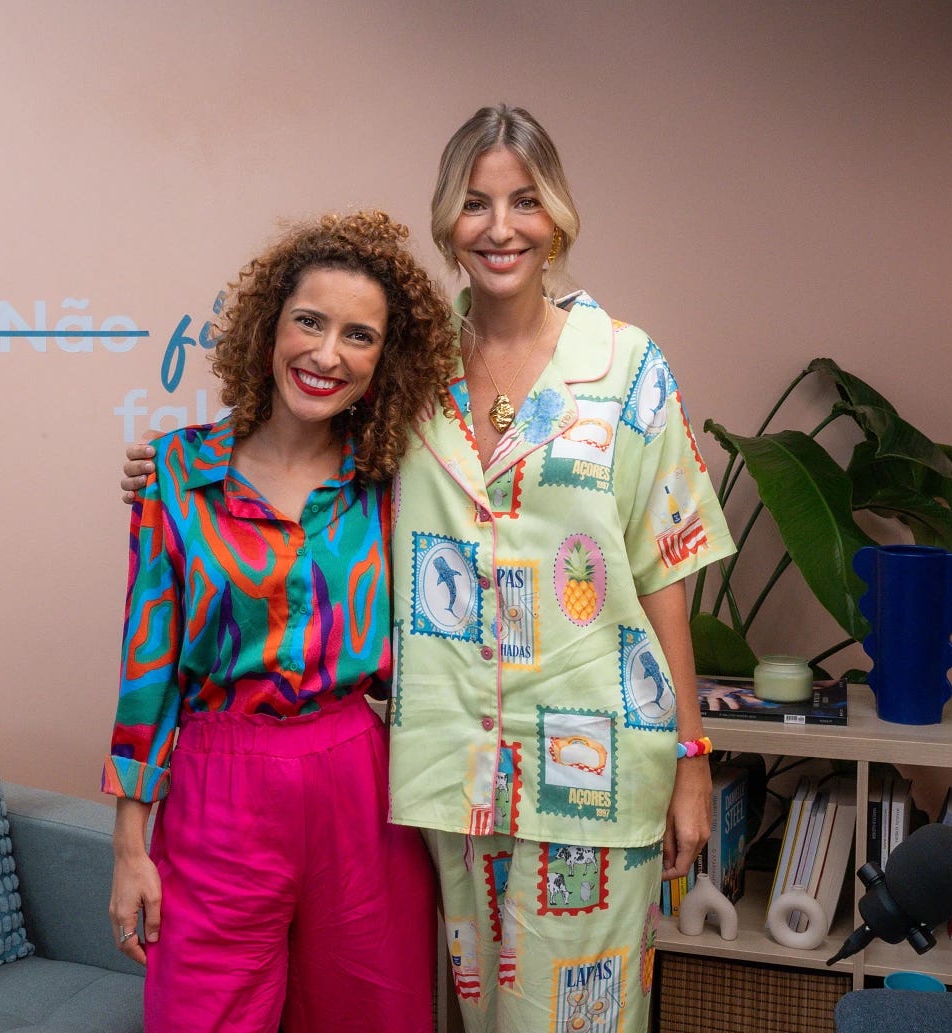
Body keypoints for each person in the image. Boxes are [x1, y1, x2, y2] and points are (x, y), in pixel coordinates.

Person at [122, 106, 735, 1033]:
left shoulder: (627, 365)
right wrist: (171, 467)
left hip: (599, 770)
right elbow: (295, 435)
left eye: (525, 201)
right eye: (475, 203)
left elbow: (665, 572)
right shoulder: (409, 371)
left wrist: (693, 757)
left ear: (558, 214)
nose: (500, 227)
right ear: (447, 219)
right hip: (453, 778)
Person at [103, 210, 454, 1033]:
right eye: (310, 321)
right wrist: (128, 845)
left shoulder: (398, 483)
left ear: (385, 360)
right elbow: (147, 668)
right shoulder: (177, 473)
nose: (327, 354)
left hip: (360, 788)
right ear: (269, 327)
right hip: (218, 787)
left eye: (360, 336)